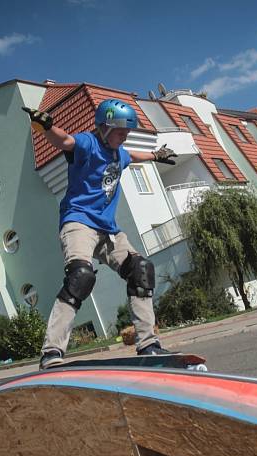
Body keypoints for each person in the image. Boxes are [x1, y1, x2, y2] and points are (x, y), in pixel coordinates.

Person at [22, 99, 179, 369]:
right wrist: (46, 127)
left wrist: (156, 155)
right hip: (79, 222)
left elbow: (134, 155)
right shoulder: (88, 144)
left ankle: (148, 344)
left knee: (141, 268)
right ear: (104, 127)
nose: (124, 136)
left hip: (108, 230)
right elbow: (65, 142)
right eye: (120, 131)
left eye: (127, 132)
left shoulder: (120, 153)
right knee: (80, 277)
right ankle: (51, 352)